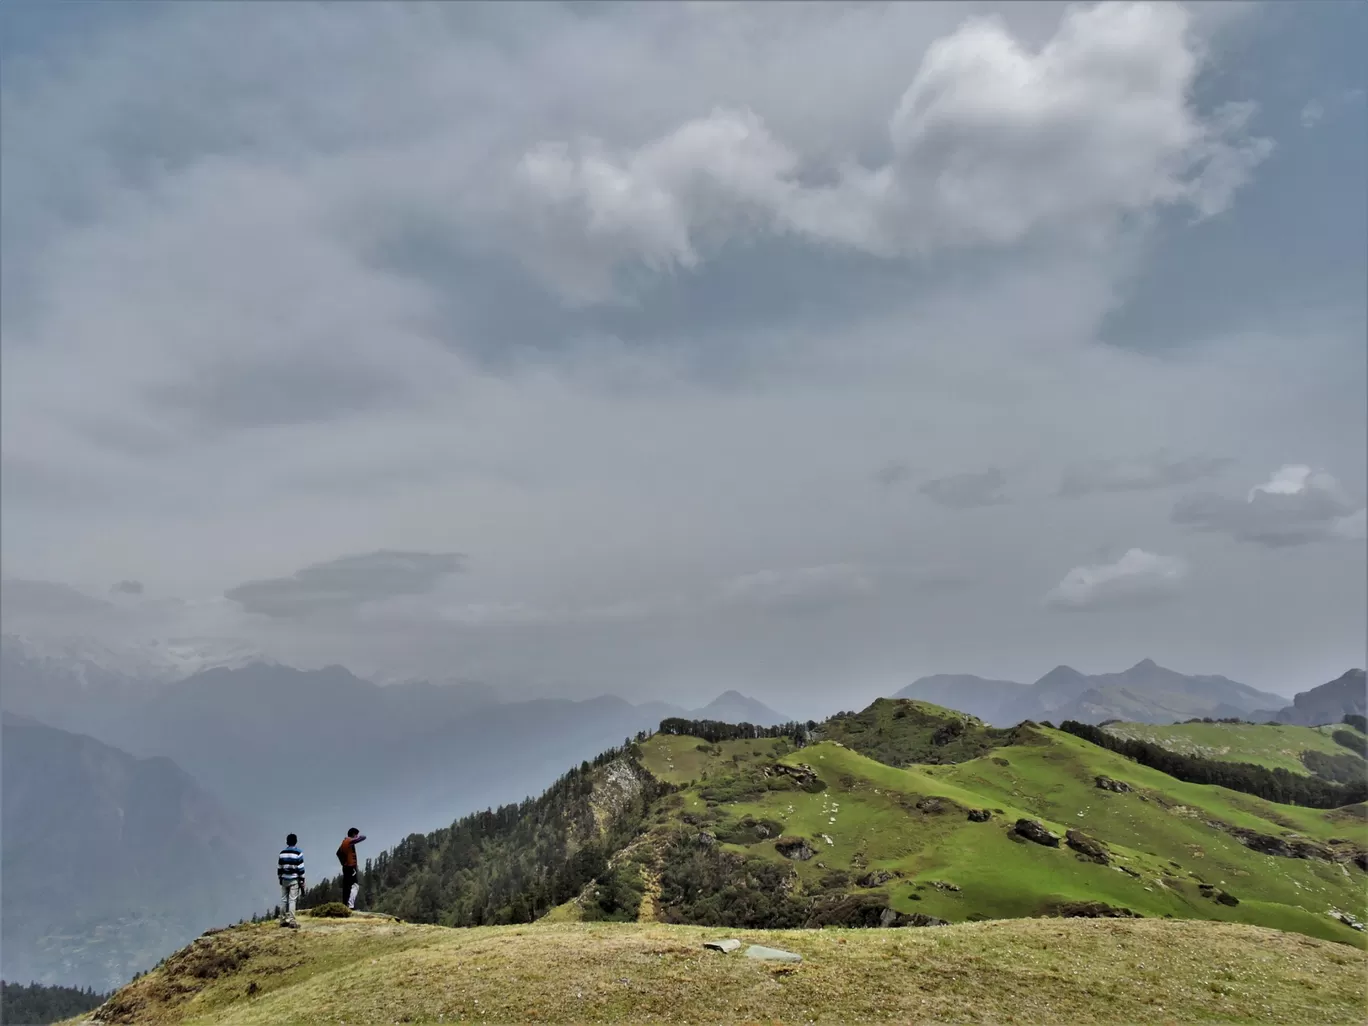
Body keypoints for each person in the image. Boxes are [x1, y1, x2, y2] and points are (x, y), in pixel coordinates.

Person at [277, 833, 305, 928]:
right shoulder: (298, 853)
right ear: (296, 841)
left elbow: (279, 868)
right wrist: (302, 880)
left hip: (284, 879)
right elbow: (300, 868)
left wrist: (280, 877)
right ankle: (292, 921)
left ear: (287, 842)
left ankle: (282, 920)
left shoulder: (282, 853)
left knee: (284, 900)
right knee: (292, 900)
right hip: (294, 879)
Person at [336, 827, 366, 909]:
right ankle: (350, 905)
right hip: (351, 868)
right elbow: (363, 837)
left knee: (347, 886)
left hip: (346, 867)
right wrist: (357, 838)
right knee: (355, 885)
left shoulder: (344, 842)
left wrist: (343, 863)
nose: (357, 836)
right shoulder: (349, 841)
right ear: (353, 834)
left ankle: (345, 905)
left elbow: (338, 853)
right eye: (356, 834)